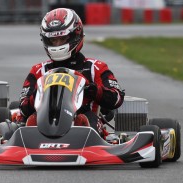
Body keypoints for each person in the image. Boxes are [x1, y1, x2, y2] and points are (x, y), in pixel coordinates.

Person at [18, 8, 125, 137]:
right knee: (30, 122)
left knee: (83, 122)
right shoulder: (39, 70)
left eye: (62, 39)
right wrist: (37, 95)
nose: (57, 44)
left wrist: (96, 91)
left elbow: (117, 99)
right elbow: (23, 109)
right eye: (53, 41)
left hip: (84, 121)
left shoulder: (94, 68)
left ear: (76, 35)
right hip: (44, 121)